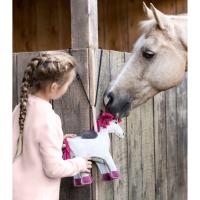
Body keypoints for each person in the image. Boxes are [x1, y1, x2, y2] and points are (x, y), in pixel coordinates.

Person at [13, 51, 92, 200]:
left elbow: (23, 145)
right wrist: (79, 163)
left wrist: (57, 141)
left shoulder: (21, 108)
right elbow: (54, 169)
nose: (67, 89)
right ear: (54, 87)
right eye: (67, 85)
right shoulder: (49, 118)